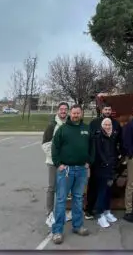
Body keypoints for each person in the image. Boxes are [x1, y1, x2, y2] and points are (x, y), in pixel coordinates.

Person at [50, 104, 93, 245]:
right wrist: (58, 164)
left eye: (78, 113)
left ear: (82, 114)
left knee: (78, 198)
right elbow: (55, 147)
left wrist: (89, 161)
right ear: (70, 113)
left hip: (81, 170)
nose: (75, 115)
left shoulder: (86, 129)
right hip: (66, 170)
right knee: (61, 200)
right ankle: (57, 231)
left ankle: (78, 226)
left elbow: (92, 147)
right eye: (73, 113)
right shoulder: (63, 129)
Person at [85, 103, 122, 219]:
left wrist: (119, 155)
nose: (107, 111)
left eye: (109, 109)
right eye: (105, 109)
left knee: (107, 187)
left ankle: (105, 210)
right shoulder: (94, 123)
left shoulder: (116, 124)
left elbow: (119, 140)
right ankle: (89, 209)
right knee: (94, 186)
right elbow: (89, 141)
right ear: (102, 110)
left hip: (110, 162)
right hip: (96, 162)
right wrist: (89, 159)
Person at [41, 102, 70, 227]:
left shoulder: (70, 124)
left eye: (65, 109)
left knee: (63, 189)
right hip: (53, 163)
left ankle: (60, 212)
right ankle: (49, 213)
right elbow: (45, 144)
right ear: (58, 110)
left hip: (66, 163)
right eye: (61, 109)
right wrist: (55, 158)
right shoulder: (52, 125)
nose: (63, 111)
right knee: (52, 187)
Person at [92, 117, 120, 228]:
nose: (107, 127)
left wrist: (115, 161)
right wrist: (106, 163)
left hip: (111, 168)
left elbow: (113, 151)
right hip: (102, 168)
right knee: (102, 191)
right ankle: (100, 214)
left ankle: (107, 211)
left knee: (108, 190)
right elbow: (99, 152)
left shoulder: (112, 136)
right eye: (105, 125)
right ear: (102, 126)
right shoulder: (98, 136)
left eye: (109, 125)